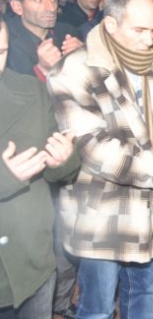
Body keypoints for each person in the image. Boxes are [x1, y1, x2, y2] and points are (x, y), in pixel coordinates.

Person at [47, 0, 153, 319]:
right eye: (139, 30)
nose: (148, 40)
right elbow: (94, 150)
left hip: (150, 210)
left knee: (144, 295)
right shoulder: (75, 70)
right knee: (98, 307)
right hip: (102, 211)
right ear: (110, 24)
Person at [0, 18, 79, 319]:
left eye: (1, 52)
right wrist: (5, 178)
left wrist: (63, 159)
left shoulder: (31, 90)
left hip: (34, 259)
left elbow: (59, 167)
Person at [6, 0, 82, 81]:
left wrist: (83, 57)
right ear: (17, 7)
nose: (51, 8)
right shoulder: (5, 41)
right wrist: (41, 70)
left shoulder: (70, 33)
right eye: (39, 0)